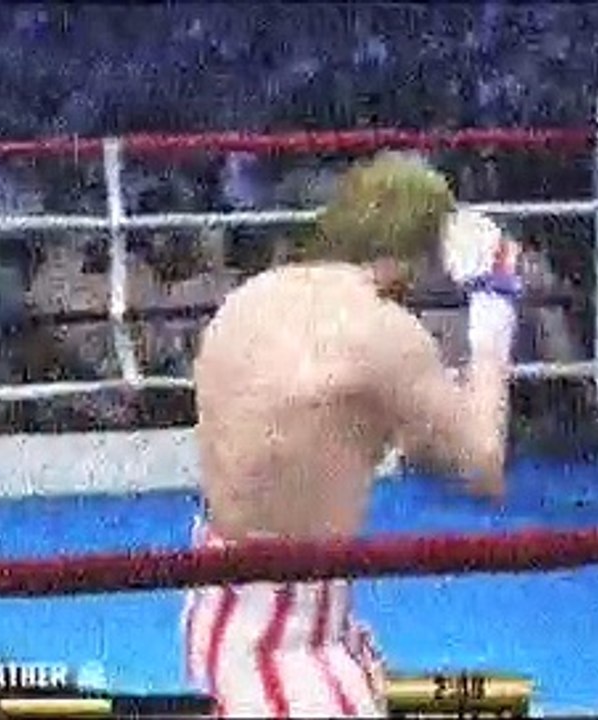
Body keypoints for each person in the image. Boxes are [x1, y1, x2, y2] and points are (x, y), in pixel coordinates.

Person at [183, 152, 522, 717]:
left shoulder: (250, 298)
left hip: (216, 604)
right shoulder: (385, 332)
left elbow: (379, 436)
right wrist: (494, 307)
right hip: (290, 640)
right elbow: (483, 465)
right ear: (418, 255)